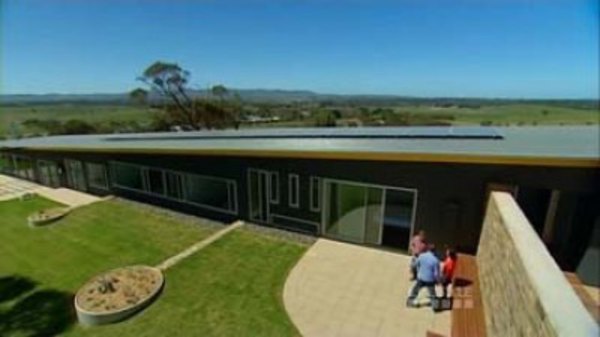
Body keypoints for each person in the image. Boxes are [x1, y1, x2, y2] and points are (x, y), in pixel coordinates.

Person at [407, 243, 440, 308]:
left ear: (428, 249)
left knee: (415, 290)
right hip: (430, 280)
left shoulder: (422, 256)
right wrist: (437, 281)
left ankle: (410, 302)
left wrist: (415, 271)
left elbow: (415, 264)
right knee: (432, 292)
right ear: (435, 251)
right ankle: (435, 305)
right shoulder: (435, 260)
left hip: (421, 278)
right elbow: (436, 274)